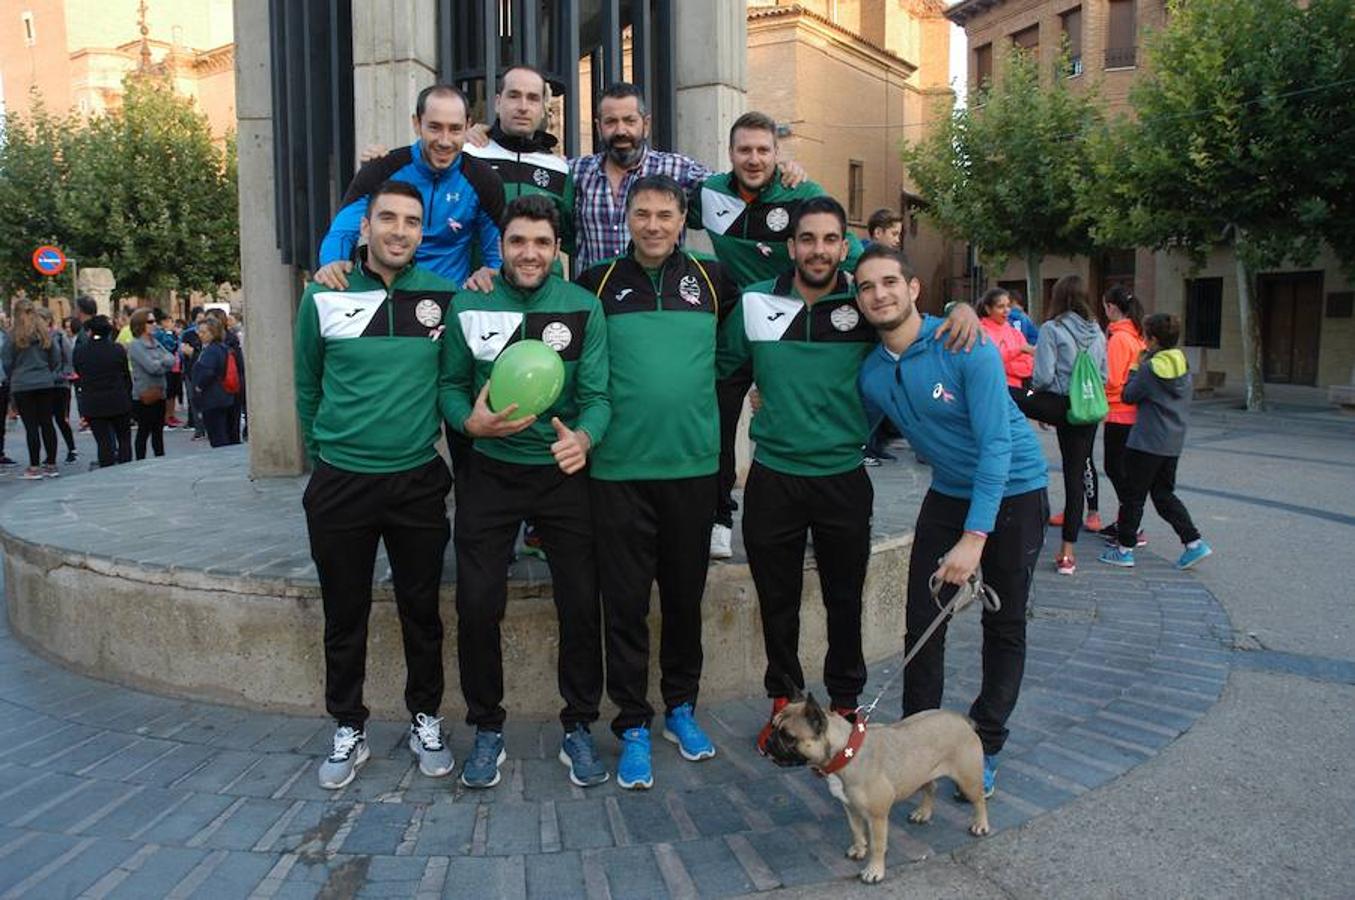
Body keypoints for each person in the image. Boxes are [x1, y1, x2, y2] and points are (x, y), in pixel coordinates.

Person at [717, 196, 978, 751]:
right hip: (774, 477)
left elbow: (911, 317)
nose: (817, 250)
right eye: (807, 239)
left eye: (830, 240)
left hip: (842, 478)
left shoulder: (862, 303)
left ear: (844, 245)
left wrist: (963, 308)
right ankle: (784, 702)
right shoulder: (755, 302)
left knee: (844, 599)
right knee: (777, 601)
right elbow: (722, 373)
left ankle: (843, 702)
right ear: (792, 247)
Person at [854, 245, 1049, 799]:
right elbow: (852, 427)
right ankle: (919, 746)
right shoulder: (872, 373)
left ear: (914, 289)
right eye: (867, 287)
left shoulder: (964, 344)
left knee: (1004, 623)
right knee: (924, 624)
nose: (879, 294)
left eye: (890, 281)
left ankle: (984, 743)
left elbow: (995, 447)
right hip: (947, 492)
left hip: (1013, 489)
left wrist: (974, 537)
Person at [575, 174, 741, 789]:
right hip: (616, 472)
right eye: (642, 213)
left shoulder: (712, 280)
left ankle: (680, 708)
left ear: (681, 219)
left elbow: (730, 357)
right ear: (626, 217)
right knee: (622, 605)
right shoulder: (595, 283)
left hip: (692, 472)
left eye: (665, 215)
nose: (653, 225)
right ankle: (633, 723)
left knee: (683, 599)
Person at [440, 195, 611, 789]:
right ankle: (487, 728)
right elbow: (450, 386)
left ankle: (579, 726)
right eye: (518, 242)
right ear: (502, 247)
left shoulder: (583, 307)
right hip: (489, 469)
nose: (530, 253)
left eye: (541, 242)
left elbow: (598, 398)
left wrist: (585, 439)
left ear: (557, 248)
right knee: (478, 602)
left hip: (561, 471)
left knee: (582, 601)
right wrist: (469, 423)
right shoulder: (471, 301)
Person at [294, 179, 459, 790]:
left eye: (411, 222)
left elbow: (453, 383)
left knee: (423, 611)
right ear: (365, 228)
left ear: (423, 233)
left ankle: (426, 718)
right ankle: (349, 725)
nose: (399, 230)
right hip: (342, 484)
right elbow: (306, 385)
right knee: (345, 611)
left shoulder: (445, 298)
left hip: (416, 481)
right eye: (387, 218)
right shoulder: (323, 293)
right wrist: (325, 454)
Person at [684, 111, 853, 558]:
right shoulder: (711, 194)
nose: (754, 159)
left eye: (763, 150)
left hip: (800, 324)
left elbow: (849, 252)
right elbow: (657, 197)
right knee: (718, 410)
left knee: (805, 414)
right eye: (745, 150)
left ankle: (821, 513)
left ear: (779, 154)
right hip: (744, 320)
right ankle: (719, 515)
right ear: (730, 155)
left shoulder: (804, 195)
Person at [315, 83, 504, 291]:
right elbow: (342, 232)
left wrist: (491, 274)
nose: (444, 140)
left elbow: (496, 255)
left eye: (455, 129)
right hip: (386, 300)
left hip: (449, 302)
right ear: (417, 124)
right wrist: (333, 264)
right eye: (434, 127)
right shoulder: (382, 169)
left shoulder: (484, 179)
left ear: (468, 126)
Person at [1100, 314, 1213, 571]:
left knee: (1132, 496)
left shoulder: (1149, 368)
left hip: (1145, 442)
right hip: (1172, 442)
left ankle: (1125, 549)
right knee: (1163, 495)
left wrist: (1133, 369)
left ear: (1151, 340)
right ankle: (1193, 542)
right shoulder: (1182, 364)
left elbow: (1129, 395)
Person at [1031, 275, 1107, 575]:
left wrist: (1034, 396)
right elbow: (1105, 376)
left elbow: (1043, 377)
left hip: (1059, 404)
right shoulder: (1098, 331)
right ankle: (1067, 554)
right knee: (1075, 476)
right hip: (1087, 409)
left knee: (1014, 393)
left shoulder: (1053, 328)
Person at [1099, 285, 1147, 541]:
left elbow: (1113, 379)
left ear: (1111, 307)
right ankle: (1127, 522)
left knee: (1116, 470)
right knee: (1125, 471)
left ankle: (1131, 526)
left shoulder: (1119, 339)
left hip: (1118, 412)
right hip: (1133, 412)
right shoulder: (1137, 335)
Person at [1, 299, 61, 479]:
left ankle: (34, 466)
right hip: (44, 381)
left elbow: (7, 362)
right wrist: (48, 372)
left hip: (23, 384)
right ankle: (51, 464)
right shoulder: (44, 334)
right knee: (47, 423)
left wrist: (15, 376)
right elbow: (55, 357)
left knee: (31, 426)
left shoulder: (13, 336)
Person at [72, 315, 133, 468]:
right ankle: (127, 469)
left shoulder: (80, 351)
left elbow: (79, 372)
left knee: (103, 442)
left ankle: (107, 471)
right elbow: (125, 374)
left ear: (90, 331)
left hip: (94, 402)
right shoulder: (117, 349)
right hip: (118, 399)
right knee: (124, 439)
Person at [127, 309, 175, 460]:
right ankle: (140, 461)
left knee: (158, 432)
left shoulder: (156, 342)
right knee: (144, 431)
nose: (154, 324)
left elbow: (172, 359)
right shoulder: (136, 345)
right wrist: (162, 363)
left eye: (154, 321)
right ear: (141, 324)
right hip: (144, 396)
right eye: (150, 322)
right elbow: (151, 367)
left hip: (160, 393)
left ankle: (160, 460)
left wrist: (161, 363)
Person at [976, 287, 1035, 401]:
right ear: (988, 309)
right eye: (1000, 307)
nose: (1006, 310)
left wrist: (1007, 364)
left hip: (1019, 390)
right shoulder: (980, 331)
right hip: (993, 391)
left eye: (1008, 306)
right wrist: (1018, 351)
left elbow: (1029, 365)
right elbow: (989, 361)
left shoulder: (1014, 332)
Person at [36, 306, 77, 463]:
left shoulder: (59, 336)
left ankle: (72, 449)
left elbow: (68, 359)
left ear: (48, 321)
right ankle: (49, 455)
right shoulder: (36, 338)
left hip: (60, 384)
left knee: (61, 418)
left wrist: (62, 375)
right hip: (44, 384)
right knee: (46, 420)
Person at [190, 319, 237, 447]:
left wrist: (199, 386)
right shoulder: (223, 348)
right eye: (199, 331)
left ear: (213, 333)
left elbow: (207, 371)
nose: (200, 334)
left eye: (203, 332)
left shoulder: (211, 351)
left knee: (217, 436)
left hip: (212, 398)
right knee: (223, 434)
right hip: (224, 396)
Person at [156, 312, 185, 429]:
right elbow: (169, 346)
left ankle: (172, 415)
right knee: (168, 393)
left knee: (173, 392)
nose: (172, 324)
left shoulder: (172, 333)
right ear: (163, 322)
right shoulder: (160, 334)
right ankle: (166, 417)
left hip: (176, 366)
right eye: (170, 321)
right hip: (167, 367)